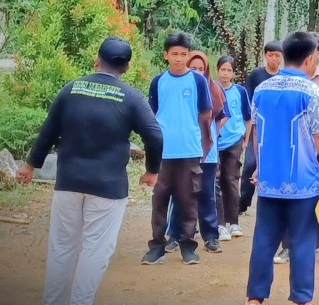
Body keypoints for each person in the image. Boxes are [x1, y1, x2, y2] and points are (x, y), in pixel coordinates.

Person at [17, 37, 163, 305]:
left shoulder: (71, 89)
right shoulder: (131, 97)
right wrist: (151, 170)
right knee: (95, 250)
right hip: (108, 189)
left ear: (97, 60)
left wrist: (30, 165)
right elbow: (155, 137)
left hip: (68, 184)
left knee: (62, 247)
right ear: (127, 68)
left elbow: (48, 130)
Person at [244, 31, 319, 305]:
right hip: (302, 182)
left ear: (284, 55)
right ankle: (300, 298)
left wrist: (260, 169)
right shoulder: (310, 90)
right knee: (302, 241)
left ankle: (255, 297)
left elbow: (258, 132)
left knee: (264, 239)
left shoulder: (262, 89)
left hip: (269, 181)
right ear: (310, 58)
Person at [142, 32, 213, 265]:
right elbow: (151, 117)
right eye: (175, 54)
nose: (179, 59)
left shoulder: (198, 81)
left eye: (184, 54)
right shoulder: (158, 81)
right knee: (160, 199)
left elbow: (205, 115)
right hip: (163, 152)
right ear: (166, 55)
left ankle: (187, 246)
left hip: (189, 150)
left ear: (189, 55)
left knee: (188, 200)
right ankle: (157, 246)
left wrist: (203, 145)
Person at [165, 51, 228, 254]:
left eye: (201, 69)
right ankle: (175, 235)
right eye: (193, 68)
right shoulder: (178, 86)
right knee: (180, 194)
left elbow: (223, 115)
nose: (198, 72)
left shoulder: (214, 88)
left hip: (207, 154)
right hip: (183, 151)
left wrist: (211, 135)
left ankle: (210, 237)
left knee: (207, 194)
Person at [239, 41, 283, 215]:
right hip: (256, 126)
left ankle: (274, 202)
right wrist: (247, 132)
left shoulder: (284, 77)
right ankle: (243, 202)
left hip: (277, 129)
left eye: (277, 55)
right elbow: (248, 100)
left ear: (282, 57)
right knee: (250, 163)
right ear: (265, 55)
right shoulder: (257, 74)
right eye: (270, 55)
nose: (273, 58)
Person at [216, 55, 252, 240]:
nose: (226, 73)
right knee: (215, 182)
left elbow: (248, 117)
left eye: (229, 70)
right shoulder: (212, 90)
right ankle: (219, 224)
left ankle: (233, 222)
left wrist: (245, 140)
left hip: (234, 141)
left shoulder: (240, 91)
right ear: (217, 70)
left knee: (231, 180)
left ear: (234, 73)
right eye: (223, 69)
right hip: (214, 143)